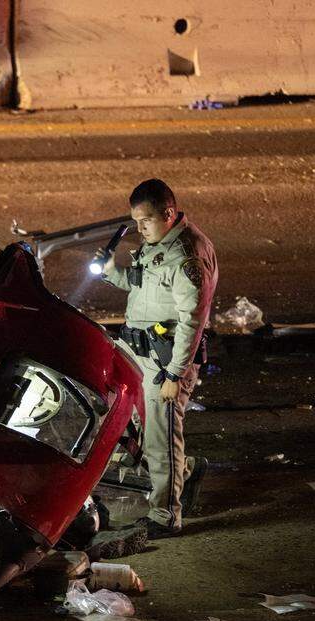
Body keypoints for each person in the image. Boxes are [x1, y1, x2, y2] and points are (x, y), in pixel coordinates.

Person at [101, 179, 218, 537]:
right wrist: (111, 272)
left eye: (146, 220)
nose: (139, 228)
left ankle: (166, 515)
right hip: (144, 354)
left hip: (166, 363)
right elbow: (145, 290)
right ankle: (185, 473)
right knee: (138, 427)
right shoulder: (161, 243)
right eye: (135, 221)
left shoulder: (185, 255)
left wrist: (174, 374)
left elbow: (192, 320)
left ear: (168, 213)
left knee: (161, 438)